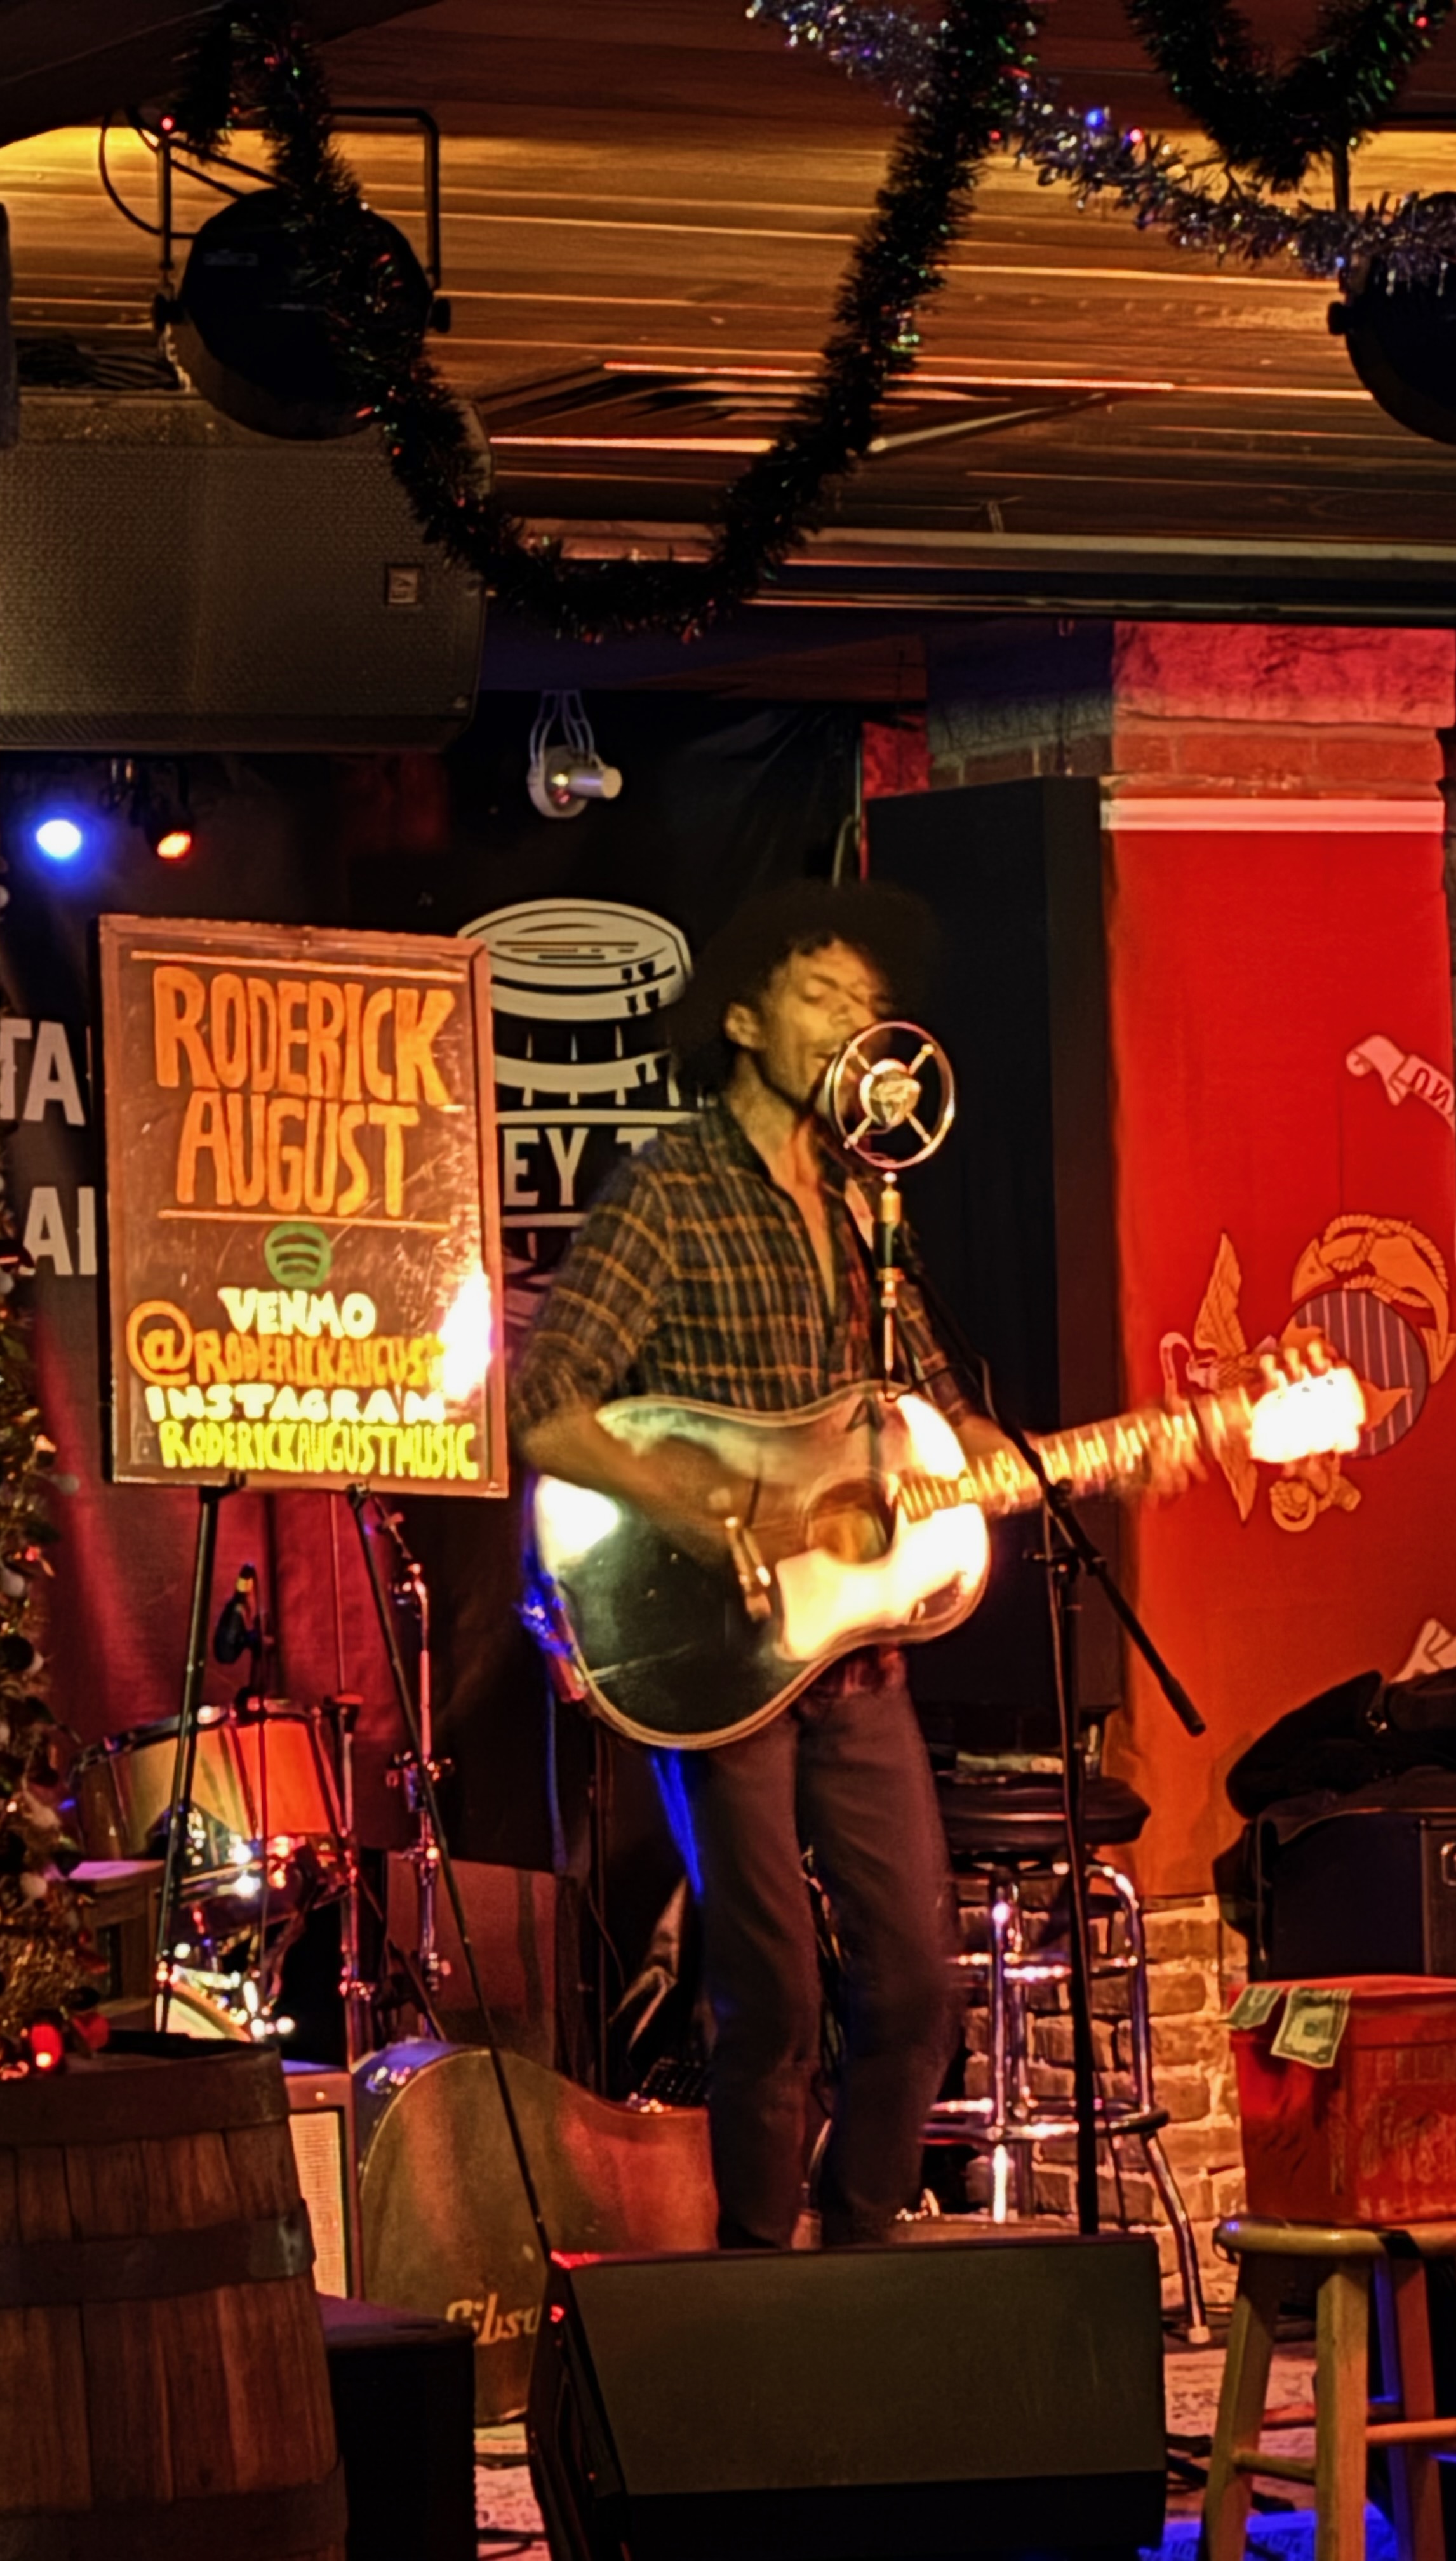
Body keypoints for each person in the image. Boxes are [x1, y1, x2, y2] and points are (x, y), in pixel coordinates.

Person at [510, 880, 1018, 2249]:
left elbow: (926, 1396)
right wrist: (700, 1503)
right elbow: (547, 1404)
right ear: (741, 1020)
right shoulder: (669, 1190)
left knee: (917, 1980)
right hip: (715, 1647)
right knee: (772, 1988)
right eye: (820, 999)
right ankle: (754, 2272)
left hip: (854, 1652)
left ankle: (856, 2248)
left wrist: (1004, 1455)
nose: (855, 1024)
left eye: (866, 1003)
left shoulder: (869, 1207)